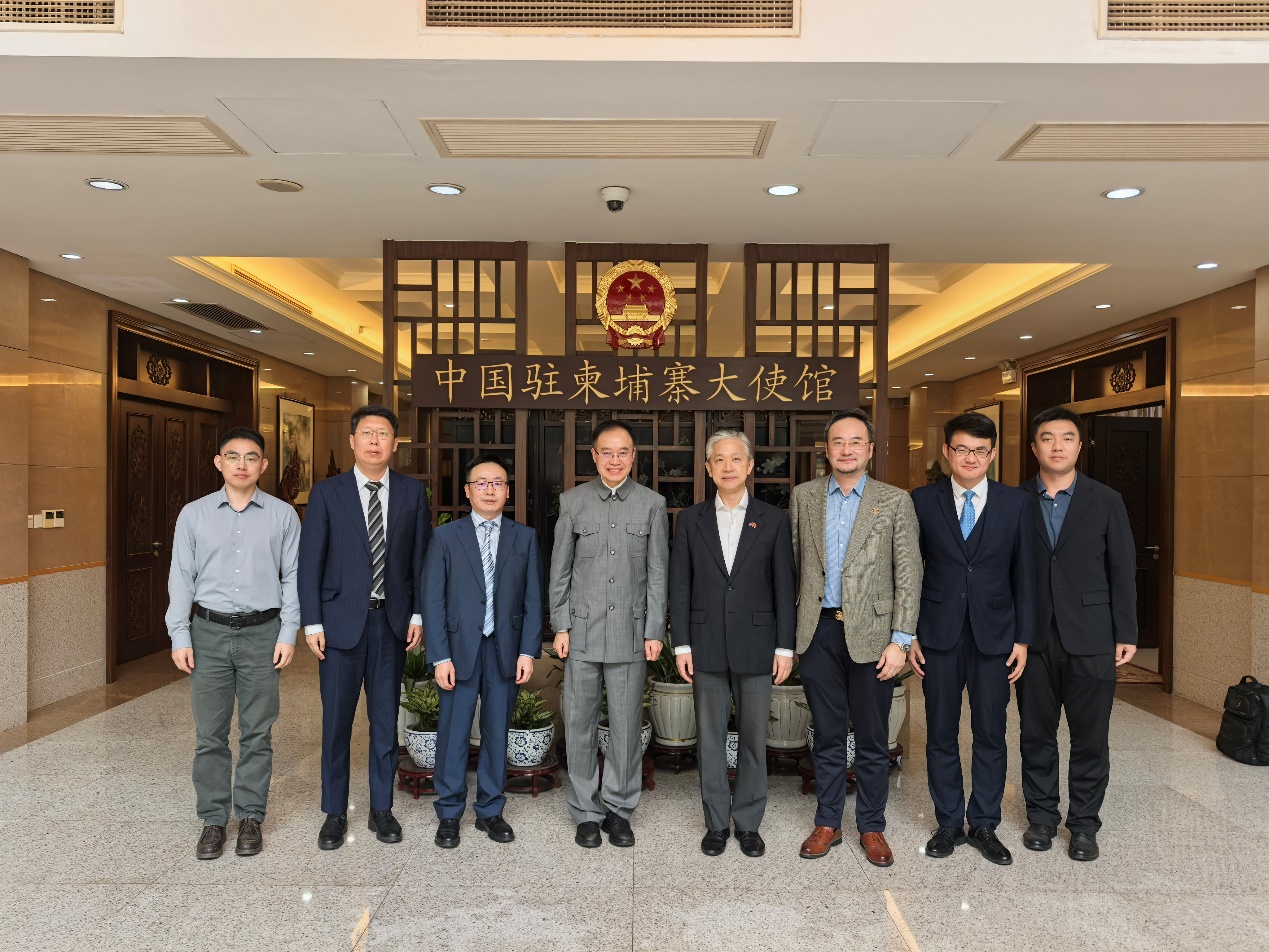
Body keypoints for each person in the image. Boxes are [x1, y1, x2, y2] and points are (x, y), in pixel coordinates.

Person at [788, 409, 922, 866]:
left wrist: (900, 641)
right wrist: (793, 636)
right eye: (838, 442)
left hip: (875, 635)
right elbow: (794, 567)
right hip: (819, 630)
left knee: (872, 736)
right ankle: (827, 821)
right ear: (826, 449)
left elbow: (909, 574)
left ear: (870, 449)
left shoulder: (895, 501)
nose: (846, 449)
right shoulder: (804, 497)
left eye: (855, 442)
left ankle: (872, 825)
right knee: (826, 733)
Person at [166, 426, 300, 860]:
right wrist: (179, 633)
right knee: (210, 734)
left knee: (258, 732)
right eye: (233, 456)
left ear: (264, 464)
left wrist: (288, 632)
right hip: (208, 632)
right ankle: (212, 819)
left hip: (263, 632)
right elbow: (181, 577)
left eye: (251, 457)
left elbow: (293, 577)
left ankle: (250, 817)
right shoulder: (194, 515)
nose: (242, 464)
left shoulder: (283, 515)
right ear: (218, 462)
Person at [299, 405, 430, 850]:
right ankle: (335, 812)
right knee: (336, 722)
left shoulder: (412, 493)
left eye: (383, 434)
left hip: (391, 623)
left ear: (395, 444)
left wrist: (417, 614)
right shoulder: (326, 493)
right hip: (338, 624)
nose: (375, 441)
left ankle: (381, 809)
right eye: (367, 433)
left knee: (384, 722)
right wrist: (312, 621)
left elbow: (420, 561)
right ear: (353, 441)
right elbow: (310, 562)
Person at [911, 411, 1035, 866]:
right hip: (937, 634)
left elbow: (1026, 574)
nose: (971, 458)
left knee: (990, 732)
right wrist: (909, 633)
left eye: (980, 450)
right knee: (940, 732)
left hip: (996, 636)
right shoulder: (921, 501)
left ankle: (984, 822)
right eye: (962, 449)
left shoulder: (1016, 502)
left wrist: (1022, 638)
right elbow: (908, 571)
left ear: (993, 454)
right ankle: (948, 822)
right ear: (946, 452)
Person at [1017, 407, 1137, 861]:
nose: (1057, 446)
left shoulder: (1106, 499)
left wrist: (1126, 630)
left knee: (1090, 737)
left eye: (1067, 438)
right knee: (1036, 734)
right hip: (1032, 638)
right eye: (1047, 438)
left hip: (1092, 634)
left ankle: (1085, 824)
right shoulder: (1014, 499)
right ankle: (1042, 817)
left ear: (1080, 446)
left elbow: (1122, 568)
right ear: (1034, 447)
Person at [669, 430, 796, 858]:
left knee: (754, 737)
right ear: (708, 468)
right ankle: (716, 823)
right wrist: (681, 645)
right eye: (719, 460)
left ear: (750, 466)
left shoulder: (773, 518)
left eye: (736, 458)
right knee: (709, 739)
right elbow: (680, 586)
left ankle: (749, 824)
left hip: (758, 644)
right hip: (704, 643)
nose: (728, 466)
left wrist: (784, 648)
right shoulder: (690, 519)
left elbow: (784, 587)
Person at [549, 419, 668, 849]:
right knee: (579, 725)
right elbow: (560, 571)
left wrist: (654, 630)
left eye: (623, 452)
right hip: (581, 633)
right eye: (607, 452)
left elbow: (658, 573)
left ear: (633, 457)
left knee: (625, 728)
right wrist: (560, 625)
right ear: (594, 456)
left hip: (631, 634)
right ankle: (585, 811)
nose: (615, 460)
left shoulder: (652, 504)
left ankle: (618, 809)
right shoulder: (573, 502)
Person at [422, 454, 543, 849]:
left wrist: (528, 651)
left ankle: (490, 809)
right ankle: (449, 811)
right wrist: (440, 656)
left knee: (496, 731)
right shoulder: (445, 537)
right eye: (482, 483)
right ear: (468, 491)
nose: (490, 490)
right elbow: (433, 600)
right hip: (458, 651)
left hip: (504, 649)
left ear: (508, 491)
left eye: (498, 483)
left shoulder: (524, 537)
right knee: (454, 731)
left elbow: (533, 599)